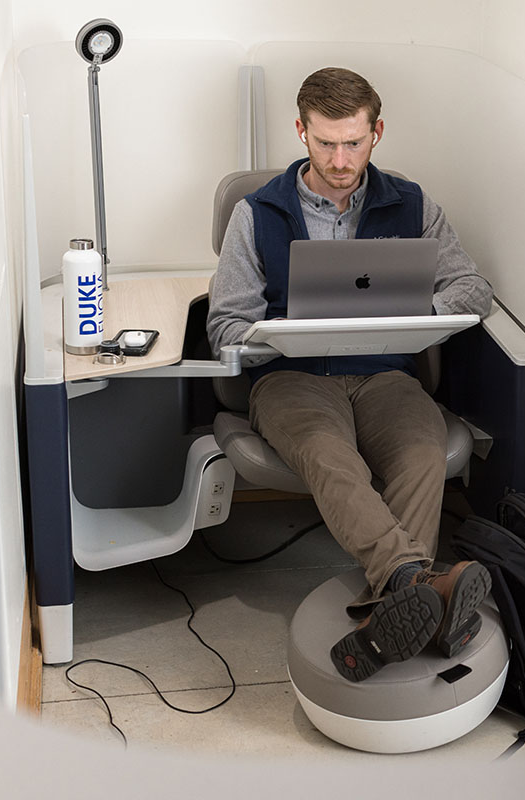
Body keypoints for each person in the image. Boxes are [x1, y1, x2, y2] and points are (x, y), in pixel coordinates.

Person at [207, 67, 494, 683]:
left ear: (377, 132)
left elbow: (472, 288)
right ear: (301, 132)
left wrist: (414, 314)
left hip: (385, 374)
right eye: (325, 143)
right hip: (293, 378)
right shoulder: (255, 214)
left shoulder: (412, 203)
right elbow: (226, 324)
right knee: (327, 453)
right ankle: (417, 587)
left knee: (422, 452)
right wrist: (279, 335)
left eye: (354, 143)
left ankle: (392, 611)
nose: (341, 159)